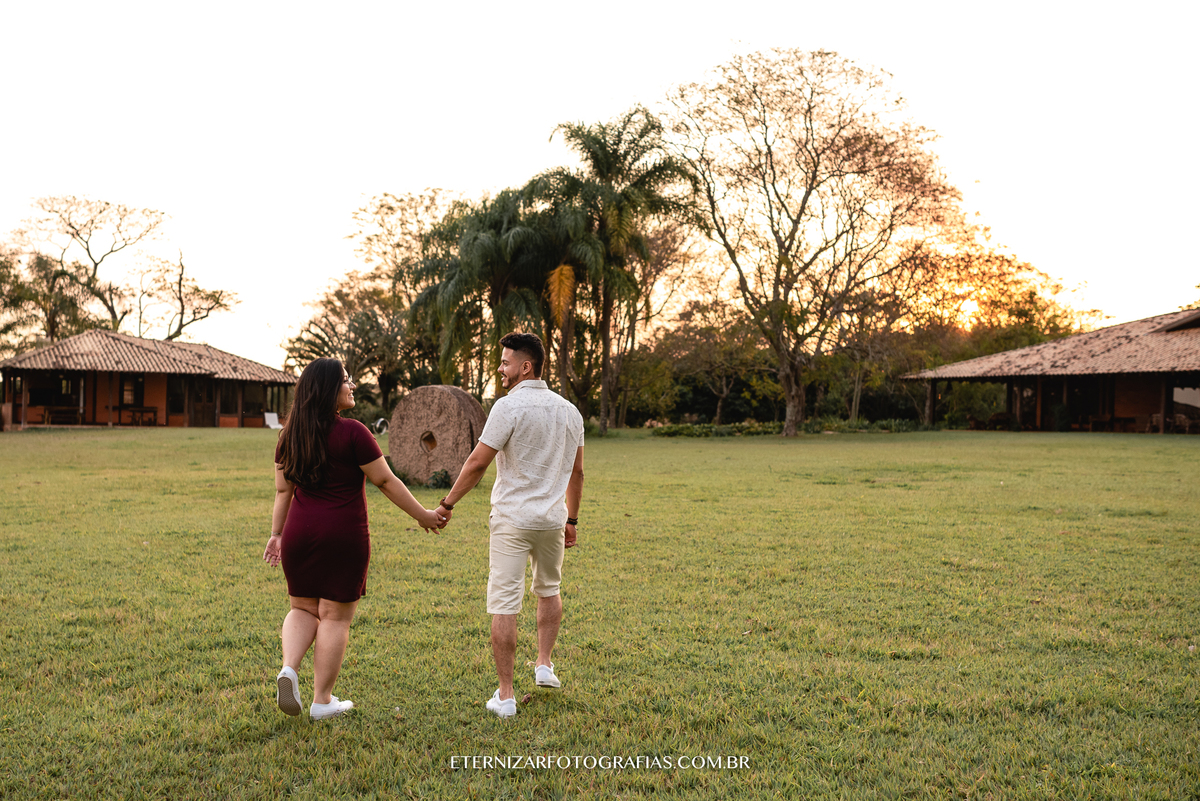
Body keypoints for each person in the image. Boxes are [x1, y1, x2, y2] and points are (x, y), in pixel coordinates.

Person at [262, 358, 444, 721]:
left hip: (299, 533)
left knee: (302, 608)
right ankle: (322, 700)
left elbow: (283, 493)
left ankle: (289, 668)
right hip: (343, 535)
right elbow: (386, 481)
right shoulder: (353, 432)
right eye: (347, 380)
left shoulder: (288, 436)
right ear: (330, 389)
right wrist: (423, 515)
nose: (353, 386)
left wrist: (276, 535)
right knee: (334, 617)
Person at [435, 332, 585, 718]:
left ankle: (505, 696)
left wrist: (448, 503)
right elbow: (578, 473)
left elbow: (477, 463)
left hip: (512, 520)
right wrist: (571, 519)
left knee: (505, 604)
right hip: (552, 520)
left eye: (504, 363)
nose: (500, 369)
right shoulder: (570, 411)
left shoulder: (508, 407)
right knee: (549, 590)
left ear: (525, 367)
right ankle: (544, 664)